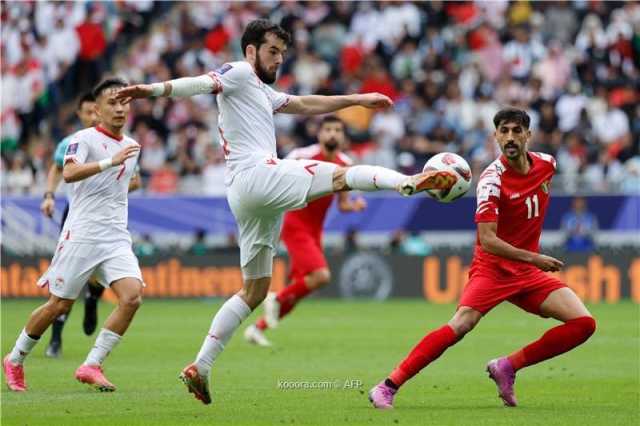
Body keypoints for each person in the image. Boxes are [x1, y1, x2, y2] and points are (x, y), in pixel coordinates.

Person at [117, 19, 456, 405]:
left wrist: (358, 99)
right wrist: (152, 90)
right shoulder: (241, 72)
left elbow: (304, 103)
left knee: (255, 290)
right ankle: (406, 183)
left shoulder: (261, 90)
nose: (278, 59)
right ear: (251, 51)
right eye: (272, 51)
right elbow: (201, 82)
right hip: (257, 174)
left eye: (282, 53)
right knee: (343, 175)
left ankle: (201, 366)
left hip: (248, 194)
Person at [368, 108, 597, 409]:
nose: (510, 137)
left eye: (517, 130)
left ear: (529, 134)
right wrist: (534, 257)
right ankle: (387, 386)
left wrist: (530, 259)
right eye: (504, 131)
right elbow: (488, 241)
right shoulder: (491, 180)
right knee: (461, 325)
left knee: (583, 324)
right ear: (495, 136)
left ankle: (507, 366)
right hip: (494, 268)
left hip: (527, 271)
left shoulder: (547, 164)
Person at [3, 78, 144, 393]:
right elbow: (68, 172)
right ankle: (14, 359)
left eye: (125, 102)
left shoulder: (133, 146)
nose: (120, 108)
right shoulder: (82, 139)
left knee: (132, 297)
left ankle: (91, 364)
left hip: (115, 236)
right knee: (58, 306)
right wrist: (110, 162)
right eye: (112, 102)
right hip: (81, 234)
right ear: (97, 109)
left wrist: (125, 174)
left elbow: (128, 182)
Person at [244, 116, 367, 347]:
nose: (333, 134)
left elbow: (342, 203)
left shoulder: (345, 163)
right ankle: (275, 298)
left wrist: (354, 206)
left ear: (343, 136)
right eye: (328, 129)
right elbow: (275, 179)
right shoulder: (302, 156)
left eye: (337, 130)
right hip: (294, 222)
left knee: (300, 287)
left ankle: (257, 329)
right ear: (319, 134)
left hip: (315, 230)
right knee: (321, 276)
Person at [39, 92, 106, 358]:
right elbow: (58, 168)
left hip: (105, 216)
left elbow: (135, 181)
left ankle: (92, 300)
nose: (92, 117)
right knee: (64, 279)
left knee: (99, 274)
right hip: (75, 215)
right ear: (79, 114)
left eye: (95, 111)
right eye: (87, 112)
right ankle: (55, 340)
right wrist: (48, 195)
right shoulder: (70, 142)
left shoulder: (114, 143)